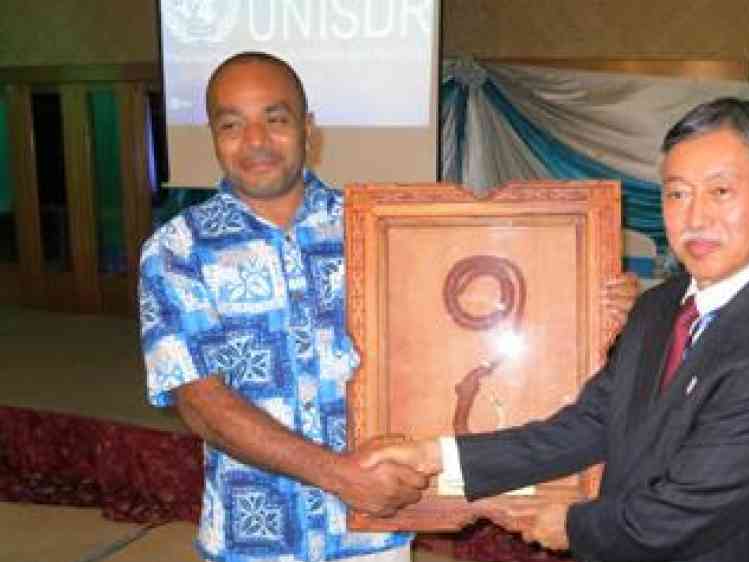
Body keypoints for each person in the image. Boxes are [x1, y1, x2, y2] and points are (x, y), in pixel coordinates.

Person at [139, 51, 639, 562]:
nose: (256, 141)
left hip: (373, 534)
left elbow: (476, 330)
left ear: (308, 129)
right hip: (255, 537)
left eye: (275, 119)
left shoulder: (381, 230)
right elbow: (203, 404)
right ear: (213, 135)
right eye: (232, 124)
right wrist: (340, 476)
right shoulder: (177, 251)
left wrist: (588, 304)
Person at [367, 97, 749, 562]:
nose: (695, 218)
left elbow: (682, 513)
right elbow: (589, 423)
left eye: (721, 192)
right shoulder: (660, 306)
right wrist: (437, 456)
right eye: (677, 193)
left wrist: (571, 526)